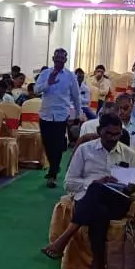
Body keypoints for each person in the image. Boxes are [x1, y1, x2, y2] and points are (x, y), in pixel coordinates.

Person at [40, 114, 135, 269]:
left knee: (97, 190)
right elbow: (69, 183)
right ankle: (96, 266)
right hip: (90, 200)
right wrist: (92, 183)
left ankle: (65, 237)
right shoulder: (84, 150)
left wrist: (131, 189)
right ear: (99, 131)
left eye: (117, 134)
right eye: (109, 134)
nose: (113, 138)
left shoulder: (129, 154)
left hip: (117, 201)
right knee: (98, 203)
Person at [35, 48, 83, 189]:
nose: (59, 61)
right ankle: (54, 166)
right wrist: (48, 83)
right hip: (45, 115)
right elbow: (36, 90)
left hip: (61, 116)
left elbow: (76, 97)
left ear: (65, 60)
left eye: (62, 58)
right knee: (47, 144)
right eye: (57, 58)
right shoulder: (45, 74)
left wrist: (78, 114)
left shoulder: (70, 76)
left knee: (56, 145)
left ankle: (53, 173)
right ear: (53, 59)